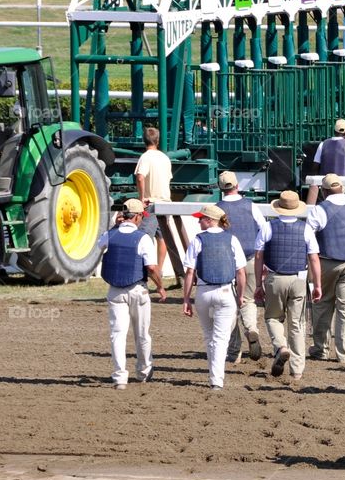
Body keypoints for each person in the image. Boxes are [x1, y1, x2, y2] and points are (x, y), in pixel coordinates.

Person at [254, 190, 323, 382]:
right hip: (299, 280)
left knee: (273, 318)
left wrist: (259, 283)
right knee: (297, 325)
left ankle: (280, 346)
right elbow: (314, 259)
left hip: (275, 279)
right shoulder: (306, 229)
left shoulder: (268, 227)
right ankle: (297, 370)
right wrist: (317, 284)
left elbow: (259, 256)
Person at [98, 198, 164, 390]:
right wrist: (160, 286)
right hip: (138, 290)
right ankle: (144, 371)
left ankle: (120, 377)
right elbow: (151, 268)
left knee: (117, 334)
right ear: (136, 217)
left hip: (115, 291)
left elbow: (98, 247)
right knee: (142, 334)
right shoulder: (143, 238)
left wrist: (113, 227)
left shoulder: (109, 234)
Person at [181, 205, 247, 390]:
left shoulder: (198, 240)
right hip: (226, 292)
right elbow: (241, 272)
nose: (198, 221)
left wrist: (186, 298)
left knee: (209, 336)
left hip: (203, 292)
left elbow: (189, 272)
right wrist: (240, 296)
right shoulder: (232, 239)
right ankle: (216, 379)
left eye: (201, 218)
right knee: (220, 338)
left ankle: (214, 375)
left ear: (209, 220)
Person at [306, 173, 345, 364]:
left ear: (324, 192)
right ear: (342, 188)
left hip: (327, 261)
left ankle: (320, 348)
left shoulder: (320, 209)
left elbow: (309, 236)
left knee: (323, 304)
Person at [216, 171, 267, 363]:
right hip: (250, 258)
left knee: (228, 306)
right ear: (237, 185)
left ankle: (234, 352)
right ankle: (252, 328)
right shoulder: (251, 205)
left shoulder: (217, 209)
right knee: (249, 300)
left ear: (221, 188)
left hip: (226, 262)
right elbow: (264, 229)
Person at [135, 127, 173, 301]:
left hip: (151, 203)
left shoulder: (145, 157)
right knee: (162, 237)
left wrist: (141, 198)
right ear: (158, 140)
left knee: (143, 237)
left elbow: (141, 177)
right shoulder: (165, 158)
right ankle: (160, 268)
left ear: (144, 141)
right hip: (166, 202)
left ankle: (147, 272)